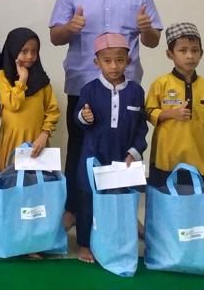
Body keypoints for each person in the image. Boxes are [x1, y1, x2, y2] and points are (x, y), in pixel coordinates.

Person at [49, 0, 161, 229]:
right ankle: (73, 209)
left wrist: (146, 29)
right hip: (83, 86)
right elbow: (55, 37)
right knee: (79, 148)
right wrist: (69, 27)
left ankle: (123, 211)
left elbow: (153, 41)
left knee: (124, 148)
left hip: (126, 88)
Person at [73, 32, 148, 264]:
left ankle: (118, 239)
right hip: (93, 155)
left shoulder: (136, 91)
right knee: (88, 199)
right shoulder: (89, 90)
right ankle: (84, 243)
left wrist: (134, 152)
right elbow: (79, 120)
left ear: (128, 60)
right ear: (97, 62)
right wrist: (84, 116)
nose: (114, 66)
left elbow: (141, 127)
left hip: (122, 157)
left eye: (119, 60)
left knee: (121, 200)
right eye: (107, 61)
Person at [145, 22, 204, 188]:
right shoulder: (161, 84)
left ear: (201, 53)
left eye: (195, 50)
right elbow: (148, 112)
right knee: (165, 198)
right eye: (183, 50)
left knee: (194, 199)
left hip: (197, 157)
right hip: (166, 158)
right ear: (170, 54)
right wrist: (171, 114)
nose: (190, 56)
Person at [0, 28, 61, 172]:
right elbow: (13, 104)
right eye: (24, 51)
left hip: (37, 143)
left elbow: (52, 111)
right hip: (10, 142)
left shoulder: (42, 81)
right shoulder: (2, 77)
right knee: (9, 181)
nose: (30, 56)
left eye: (34, 51)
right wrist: (22, 80)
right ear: (13, 51)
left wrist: (44, 135)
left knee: (36, 182)